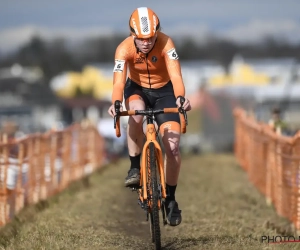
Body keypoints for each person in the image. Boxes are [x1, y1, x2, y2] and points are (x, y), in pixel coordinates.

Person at [107, 7, 191, 226]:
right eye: (141, 39)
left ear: (157, 32)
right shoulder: (123, 49)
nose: (147, 43)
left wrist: (181, 98)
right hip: (137, 89)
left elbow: (176, 76)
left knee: (172, 148)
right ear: (133, 35)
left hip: (165, 92)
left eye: (151, 38)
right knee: (135, 115)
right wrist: (116, 103)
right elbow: (118, 82)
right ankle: (135, 167)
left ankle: (170, 199)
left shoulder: (167, 44)